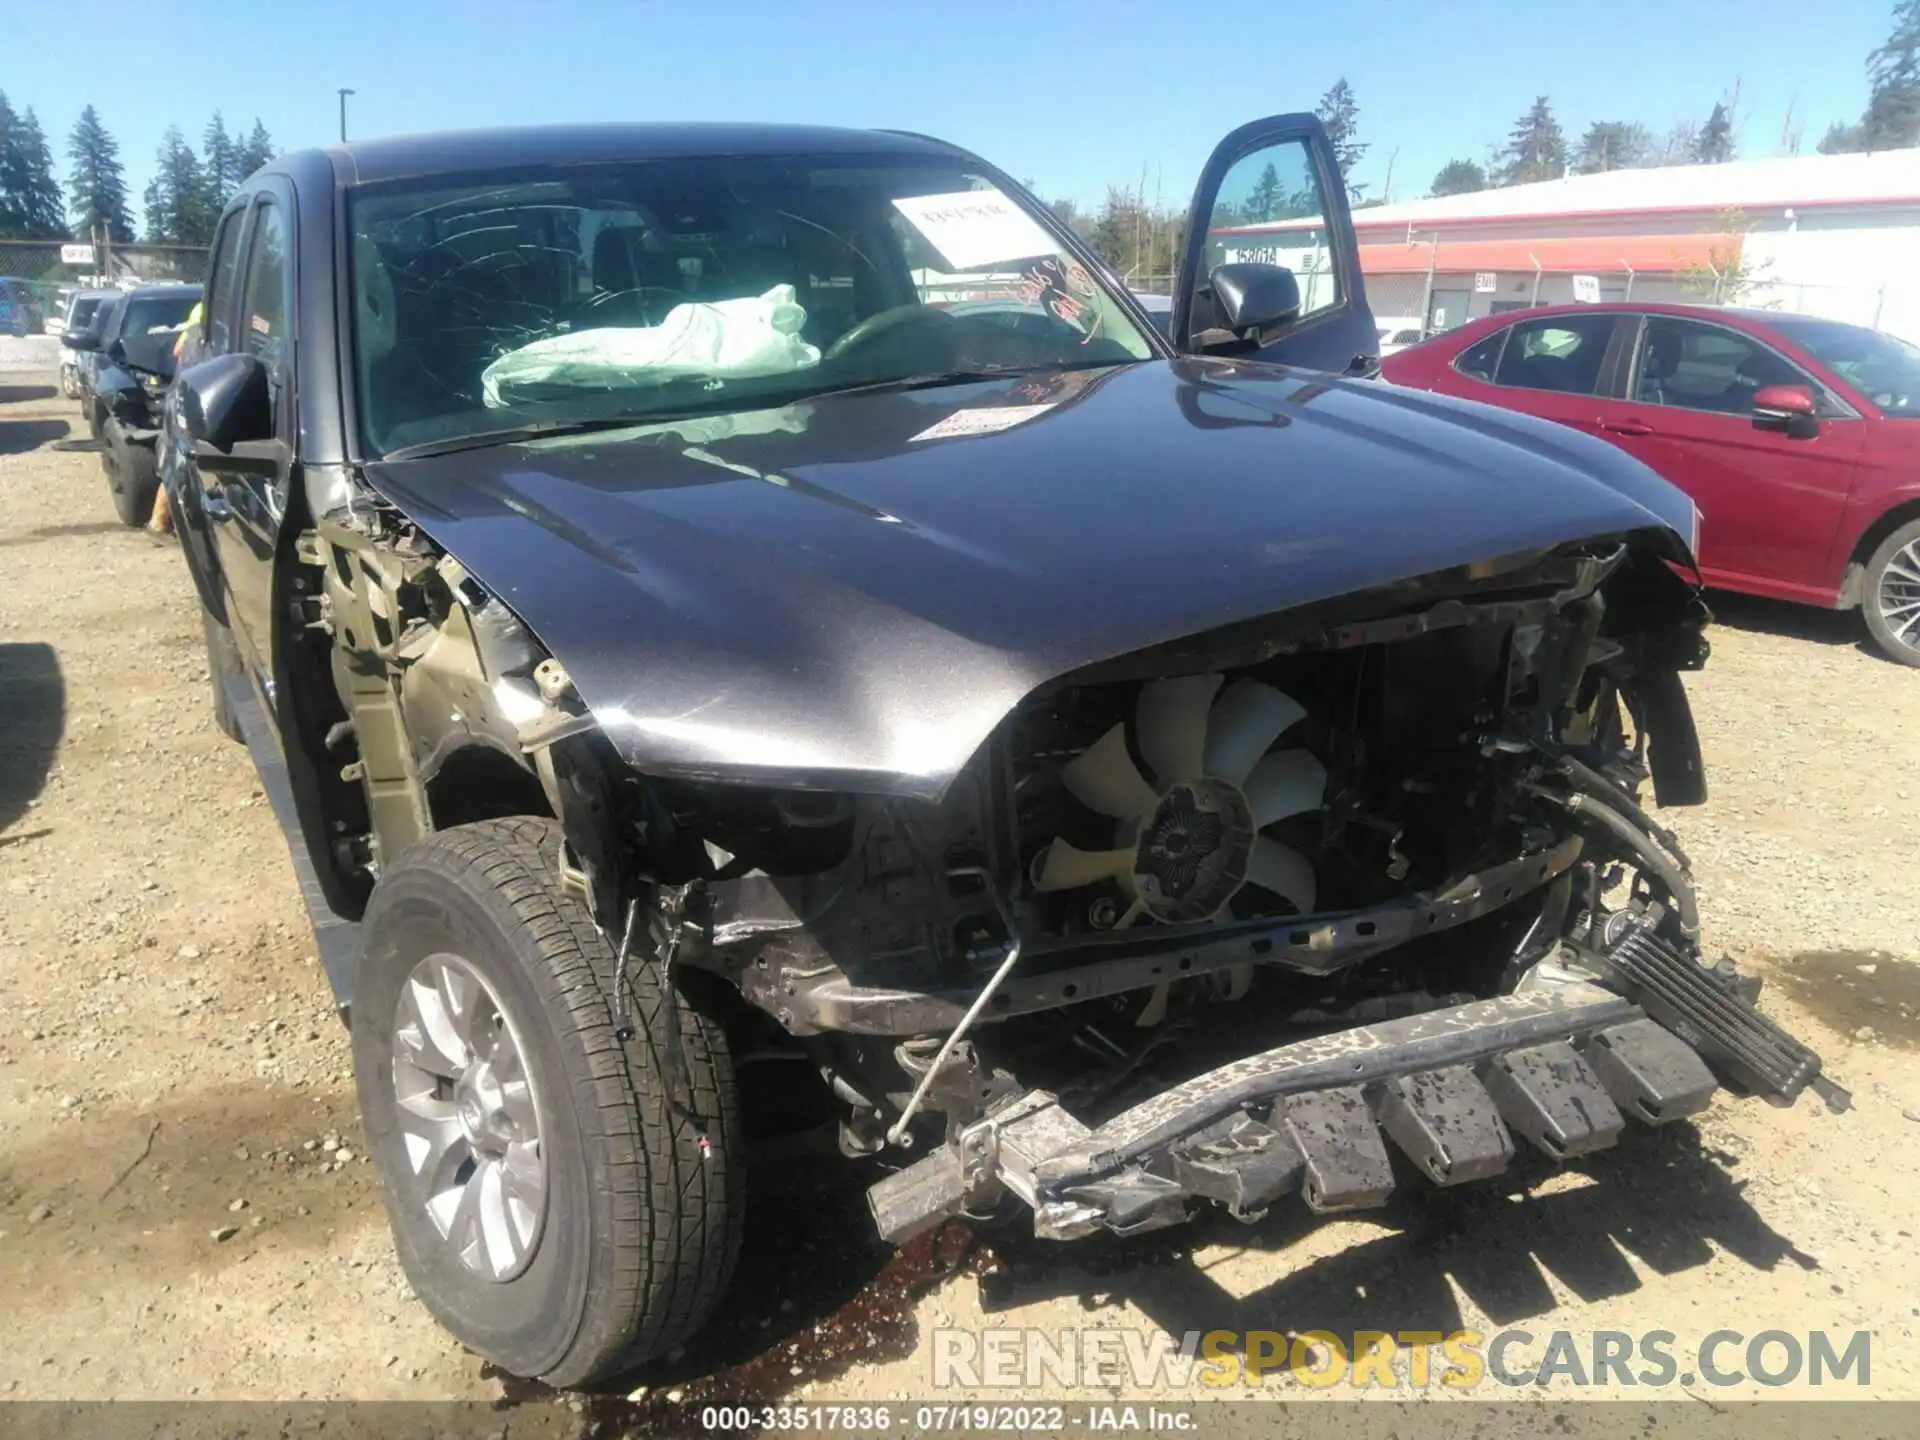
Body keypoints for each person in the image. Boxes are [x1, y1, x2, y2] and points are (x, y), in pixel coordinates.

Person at [148, 301, 205, 537]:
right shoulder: (205, 317)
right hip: (190, 396)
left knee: (177, 460)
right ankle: (160, 524)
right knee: (179, 461)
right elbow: (181, 349)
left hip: (186, 391)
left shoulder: (201, 313)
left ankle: (161, 523)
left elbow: (177, 350)